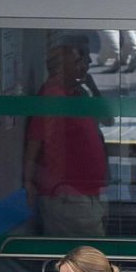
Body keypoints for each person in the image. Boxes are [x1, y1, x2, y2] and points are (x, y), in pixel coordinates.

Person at [25, 40, 110, 237]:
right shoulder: (53, 97)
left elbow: (108, 119)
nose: (84, 66)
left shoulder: (76, 93)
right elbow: (35, 142)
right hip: (69, 196)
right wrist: (28, 181)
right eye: (77, 62)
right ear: (60, 69)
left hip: (89, 192)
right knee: (90, 257)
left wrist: (92, 87)